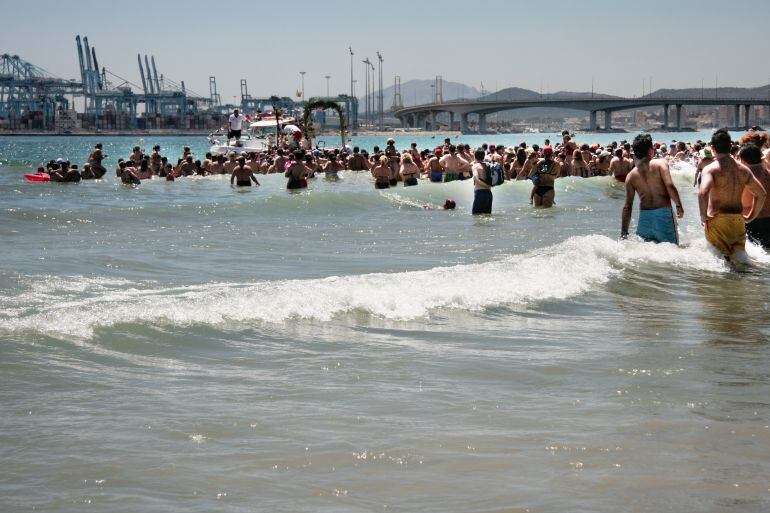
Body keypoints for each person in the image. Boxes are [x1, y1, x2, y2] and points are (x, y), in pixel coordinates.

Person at [699, 130, 766, 260]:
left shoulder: (711, 169)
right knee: (740, 260)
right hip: (738, 220)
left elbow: (703, 193)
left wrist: (703, 217)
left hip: (718, 220)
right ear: (730, 146)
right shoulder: (743, 169)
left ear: (712, 148)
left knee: (721, 261)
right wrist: (750, 216)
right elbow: (761, 194)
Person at [621, 134, 684, 244]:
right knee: (671, 251)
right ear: (651, 151)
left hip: (644, 219)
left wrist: (624, 232)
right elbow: (670, 185)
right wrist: (679, 206)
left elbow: (627, 207)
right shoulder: (661, 163)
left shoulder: (631, 176)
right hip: (663, 215)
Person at [737, 143, 770, 248]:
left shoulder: (745, 177)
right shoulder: (768, 172)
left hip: (753, 221)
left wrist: (748, 218)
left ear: (744, 161)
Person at [472, 149, 493, 215]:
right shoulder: (488, 165)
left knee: (476, 215)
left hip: (480, 193)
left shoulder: (475, 166)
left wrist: (486, 186)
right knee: (487, 215)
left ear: (475, 157)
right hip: (489, 194)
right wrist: (488, 186)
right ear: (483, 156)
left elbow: (476, 179)